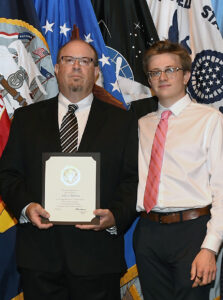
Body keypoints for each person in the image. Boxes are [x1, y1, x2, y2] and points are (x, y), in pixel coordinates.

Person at [0, 39, 138, 300]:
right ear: (56, 68)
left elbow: (132, 180)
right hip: (40, 259)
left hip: (98, 259)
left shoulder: (123, 121)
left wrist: (114, 216)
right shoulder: (26, 119)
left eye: (85, 61)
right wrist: (27, 207)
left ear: (96, 71)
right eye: (69, 60)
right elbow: (8, 174)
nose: (76, 67)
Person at [133, 40, 223, 300]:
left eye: (170, 70)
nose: (162, 77)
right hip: (148, 232)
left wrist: (210, 248)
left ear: (186, 76)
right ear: (149, 81)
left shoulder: (210, 120)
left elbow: (221, 189)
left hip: (193, 232)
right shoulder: (141, 124)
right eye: (154, 72)